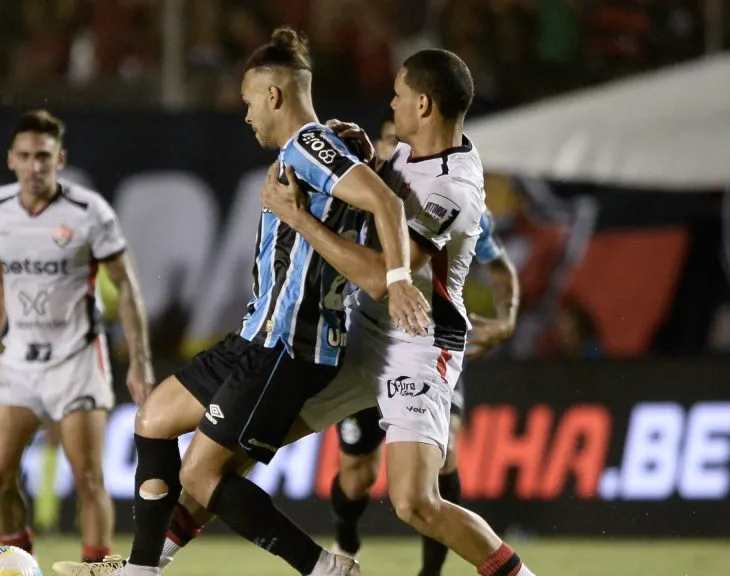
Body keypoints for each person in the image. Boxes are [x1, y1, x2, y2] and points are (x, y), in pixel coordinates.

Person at [53, 26, 430, 576]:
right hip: (257, 335)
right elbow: (362, 188)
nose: (247, 114)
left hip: (287, 345)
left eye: (249, 100)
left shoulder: (309, 145)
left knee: (202, 476)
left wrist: (397, 279)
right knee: (154, 417)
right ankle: (140, 569)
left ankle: (324, 569)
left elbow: (385, 204)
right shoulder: (322, 145)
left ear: (274, 95)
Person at [150, 49, 537, 576]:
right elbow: (374, 202)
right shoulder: (411, 152)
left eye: (398, 95)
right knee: (230, 451)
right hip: (361, 333)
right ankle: (146, 564)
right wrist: (361, 157)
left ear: (423, 105)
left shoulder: (452, 190)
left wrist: (299, 219)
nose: (391, 104)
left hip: (418, 345)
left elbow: (382, 274)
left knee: (415, 502)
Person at [326, 112, 520, 576]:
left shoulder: (449, 197)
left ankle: (431, 573)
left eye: (399, 142)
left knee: (440, 459)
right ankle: (345, 539)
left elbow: (500, 267)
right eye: (387, 142)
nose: (395, 150)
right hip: (369, 342)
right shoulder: (367, 190)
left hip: (430, 344)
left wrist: (508, 317)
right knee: (357, 474)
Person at [0, 110, 154, 562]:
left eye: (43, 156)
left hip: (78, 360)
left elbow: (127, 285)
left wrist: (140, 361)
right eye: (24, 156)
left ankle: (95, 571)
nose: (34, 166)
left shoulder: (88, 212)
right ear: (11, 160)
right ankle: (21, 566)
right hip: (19, 360)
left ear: (60, 159)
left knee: (88, 478)